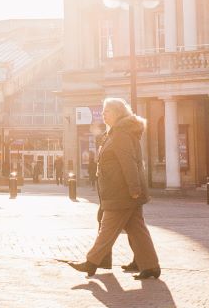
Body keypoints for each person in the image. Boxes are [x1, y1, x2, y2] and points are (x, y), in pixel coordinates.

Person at [67, 97, 160, 280]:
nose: (103, 115)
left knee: (107, 228)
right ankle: (150, 266)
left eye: (106, 111)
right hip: (120, 191)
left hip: (122, 193)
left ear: (117, 113)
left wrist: (134, 189)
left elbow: (129, 163)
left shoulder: (121, 135)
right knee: (137, 229)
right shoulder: (115, 133)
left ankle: (92, 262)